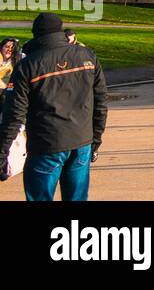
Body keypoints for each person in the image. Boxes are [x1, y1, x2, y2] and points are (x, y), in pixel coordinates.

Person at [0, 13, 107, 200]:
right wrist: (95, 140)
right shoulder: (87, 56)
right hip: (81, 141)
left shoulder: (27, 66)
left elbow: (14, 114)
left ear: (36, 34)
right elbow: (101, 102)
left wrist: (2, 151)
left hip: (46, 144)